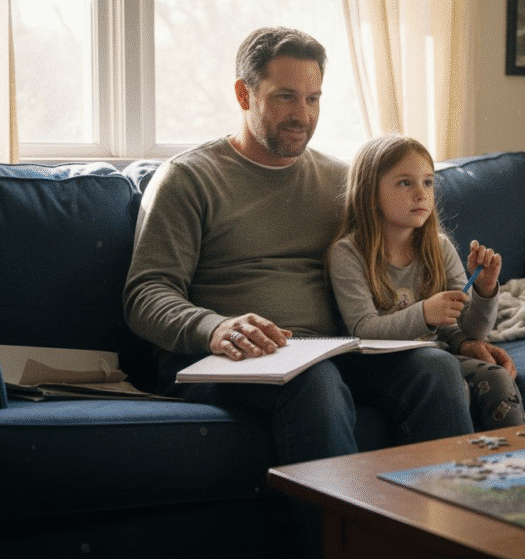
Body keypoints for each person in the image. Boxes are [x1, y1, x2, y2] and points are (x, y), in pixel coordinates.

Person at [124, 27, 475, 464]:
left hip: (331, 351)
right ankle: (336, 513)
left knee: (435, 369)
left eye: (313, 99)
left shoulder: (340, 181)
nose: (302, 115)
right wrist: (214, 328)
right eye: (285, 97)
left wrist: (463, 340)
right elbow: (146, 294)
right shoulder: (189, 179)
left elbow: (401, 263)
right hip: (220, 359)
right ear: (243, 94)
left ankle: (454, 507)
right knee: (316, 381)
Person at [327, 134, 525, 431]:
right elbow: (363, 330)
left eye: (428, 182)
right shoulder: (348, 253)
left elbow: (471, 331)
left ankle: (517, 458)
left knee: (497, 378)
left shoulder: (439, 247)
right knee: (449, 382)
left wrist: (484, 291)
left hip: (438, 358)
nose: (421, 193)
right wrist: (425, 313)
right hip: (379, 366)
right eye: (405, 183)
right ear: (370, 193)